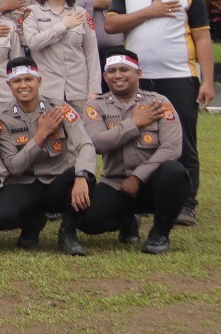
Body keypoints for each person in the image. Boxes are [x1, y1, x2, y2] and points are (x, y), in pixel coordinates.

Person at [103, 0, 213, 226]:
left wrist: (207, 81)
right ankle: (137, 197)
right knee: (135, 138)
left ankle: (186, 202)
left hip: (179, 77)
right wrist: (149, 12)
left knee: (183, 140)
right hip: (136, 79)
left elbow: (202, 38)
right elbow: (111, 24)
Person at [76, 47, 188, 254]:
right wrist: (134, 123)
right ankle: (127, 220)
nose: (117, 75)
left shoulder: (159, 103)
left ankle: (160, 233)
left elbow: (172, 148)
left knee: (175, 172)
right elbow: (96, 143)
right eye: (112, 71)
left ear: (138, 73)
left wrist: (138, 177)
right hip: (116, 183)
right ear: (105, 76)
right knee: (88, 222)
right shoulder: (96, 107)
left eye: (124, 69)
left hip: (154, 182)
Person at [0, 57, 94, 255]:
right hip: (24, 183)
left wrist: (81, 176)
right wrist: (41, 135)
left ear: (39, 81)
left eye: (29, 79)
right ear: (9, 85)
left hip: (57, 182)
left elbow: (85, 144)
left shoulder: (61, 109)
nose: (23, 85)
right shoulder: (1, 118)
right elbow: (14, 167)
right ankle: (32, 222)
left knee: (85, 176)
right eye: (17, 81)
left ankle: (68, 233)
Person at [19, 0, 97, 107]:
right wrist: (63, 26)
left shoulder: (81, 13)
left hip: (78, 90)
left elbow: (92, 54)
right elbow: (33, 43)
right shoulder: (32, 12)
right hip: (46, 91)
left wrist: (94, 90)